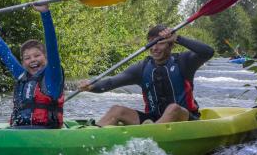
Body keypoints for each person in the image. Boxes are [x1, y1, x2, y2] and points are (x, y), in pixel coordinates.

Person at [77, 25, 214, 126]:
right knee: (116, 110)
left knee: (173, 108)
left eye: (159, 43)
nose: (154, 48)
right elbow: (111, 82)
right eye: (151, 43)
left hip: (186, 120)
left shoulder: (184, 62)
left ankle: (150, 136)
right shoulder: (141, 68)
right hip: (153, 120)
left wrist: (178, 38)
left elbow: (208, 52)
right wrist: (91, 86)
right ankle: (91, 137)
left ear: (170, 45)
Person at [0, 0, 64, 129]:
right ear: (23, 62)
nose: (33, 60)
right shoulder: (22, 75)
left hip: (45, 133)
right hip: (18, 131)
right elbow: (4, 52)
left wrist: (45, 13)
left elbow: (52, 45)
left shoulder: (52, 76)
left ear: (46, 57)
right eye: (27, 58)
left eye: (37, 55)